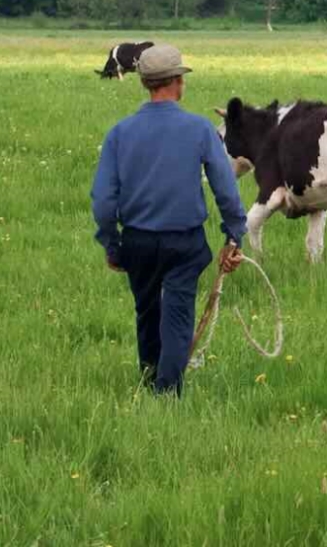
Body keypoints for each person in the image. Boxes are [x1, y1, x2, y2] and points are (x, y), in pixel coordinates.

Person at [90, 44, 245, 395]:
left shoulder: (119, 133)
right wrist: (234, 236)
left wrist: (112, 244)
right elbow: (225, 188)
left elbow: (103, 200)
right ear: (178, 82)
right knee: (176, 318)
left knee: (146, 312)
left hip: (137, 240)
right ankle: (167, 395)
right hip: (184, 241)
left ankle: (150, 383)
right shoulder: (200, 129)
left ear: (144, 82)